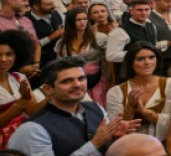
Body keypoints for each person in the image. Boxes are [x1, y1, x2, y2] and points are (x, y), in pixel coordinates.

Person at [8, 56, 142, 156]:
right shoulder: (33, 129)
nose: (77, 84)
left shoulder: (96, 108)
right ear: (48, 89)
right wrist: (94, 144)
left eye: (81, 78)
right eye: (67, 81)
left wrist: (114, 138)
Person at [105, 41, 171, 140]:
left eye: (151, 57)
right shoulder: (115, 92)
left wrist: (144, 112)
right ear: (130, 63)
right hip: (130, 144)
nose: (147, 62)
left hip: (164, 142)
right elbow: (117, 130)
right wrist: (129, 110)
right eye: (140, 59)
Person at [55, 7, 109, 106]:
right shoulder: (62, 43)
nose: (82, 22)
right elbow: (59, 65)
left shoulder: (99, 38)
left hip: (97, 79)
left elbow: (108, 60)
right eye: (78, 20)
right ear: (71, 22)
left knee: (98, 107)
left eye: (85, 19)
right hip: (74, 79)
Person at [0, 30, 38, 149]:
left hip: (22, 137)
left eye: (9, 54)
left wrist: (53, 95)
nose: (4, 59)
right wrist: (22, 102)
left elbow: (32, 112)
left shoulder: (19, 78)